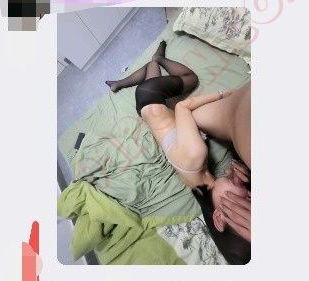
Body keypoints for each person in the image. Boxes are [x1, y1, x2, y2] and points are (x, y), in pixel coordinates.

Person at [106, 40, 251, 189]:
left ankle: (156, 61)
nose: (245, 192)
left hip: (152, 98)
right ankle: (121, 82)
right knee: (158, 69)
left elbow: (183, 107)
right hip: (147, 108)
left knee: (190, 78)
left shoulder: (196, 158)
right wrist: (234, 171)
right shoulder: (193, 183)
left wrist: (222, 94)